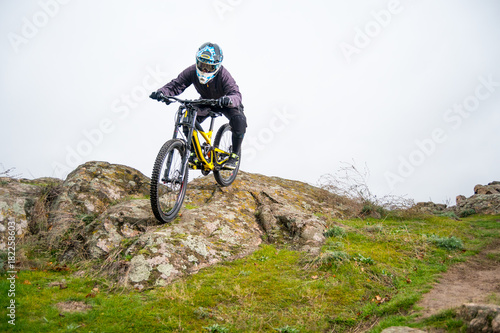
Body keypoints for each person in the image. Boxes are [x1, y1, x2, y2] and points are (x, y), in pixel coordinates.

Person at [150, 42, 246, 170]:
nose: (205, 70)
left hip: (226, 103)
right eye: (202, 65)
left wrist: (228, 100)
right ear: (197, 61)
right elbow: (177, 85)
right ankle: (195, 153)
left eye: (209, 67)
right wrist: (162, 92)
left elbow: (236, 94)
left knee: (239, 120)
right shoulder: (191, 71)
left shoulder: (224, 75)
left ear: (217, 66)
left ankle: (234, 156)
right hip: (206, 101)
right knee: (187, 118)